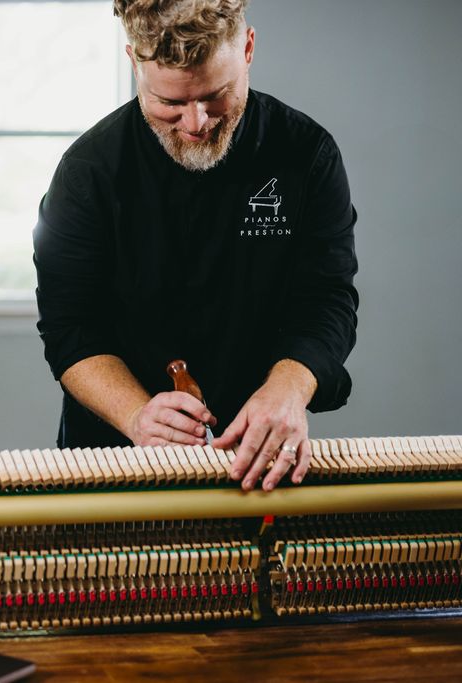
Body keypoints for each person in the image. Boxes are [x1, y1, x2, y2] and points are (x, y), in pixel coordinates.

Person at [33, 0, 358, 492]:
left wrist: (288, 391)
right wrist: (138, 414)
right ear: (134, 63)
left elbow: (326, 299)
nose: (196, 123)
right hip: (114, 459)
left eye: (215, 95)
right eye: (170, 103)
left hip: (259, 456)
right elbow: (71, 328)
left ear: (248, 49)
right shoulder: (87, 174)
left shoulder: (306, 154)